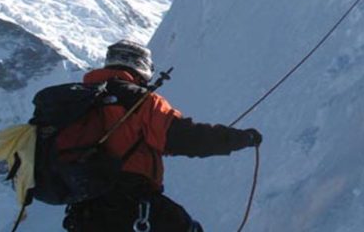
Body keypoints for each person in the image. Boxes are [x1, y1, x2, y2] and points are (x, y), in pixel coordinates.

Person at [61, 40, 262, 232]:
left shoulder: (75, 101)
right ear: (141, 66)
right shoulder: (141, 101)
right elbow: (185, 138)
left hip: (82, 211)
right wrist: (240, 139)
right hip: (131, 204)